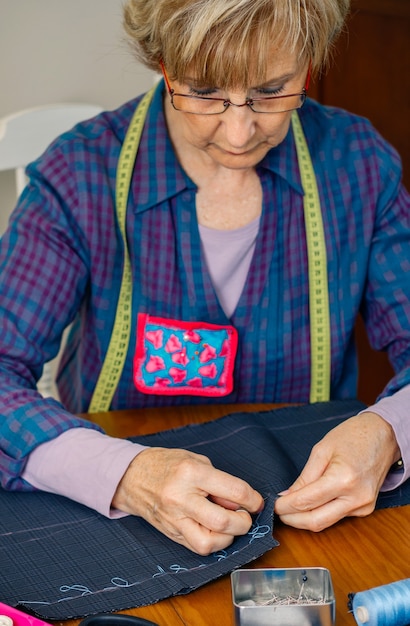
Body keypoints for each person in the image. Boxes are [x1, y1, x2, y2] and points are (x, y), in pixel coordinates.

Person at [0, 0, 409, 556]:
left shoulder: (357, 163)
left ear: (309, 64)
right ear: (162, 63)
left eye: (271, 90)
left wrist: (389, 430)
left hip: (313, 522)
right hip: (121, 518)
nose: (240, 132)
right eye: (203, 91)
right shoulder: (80, 172)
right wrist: (126, 474)